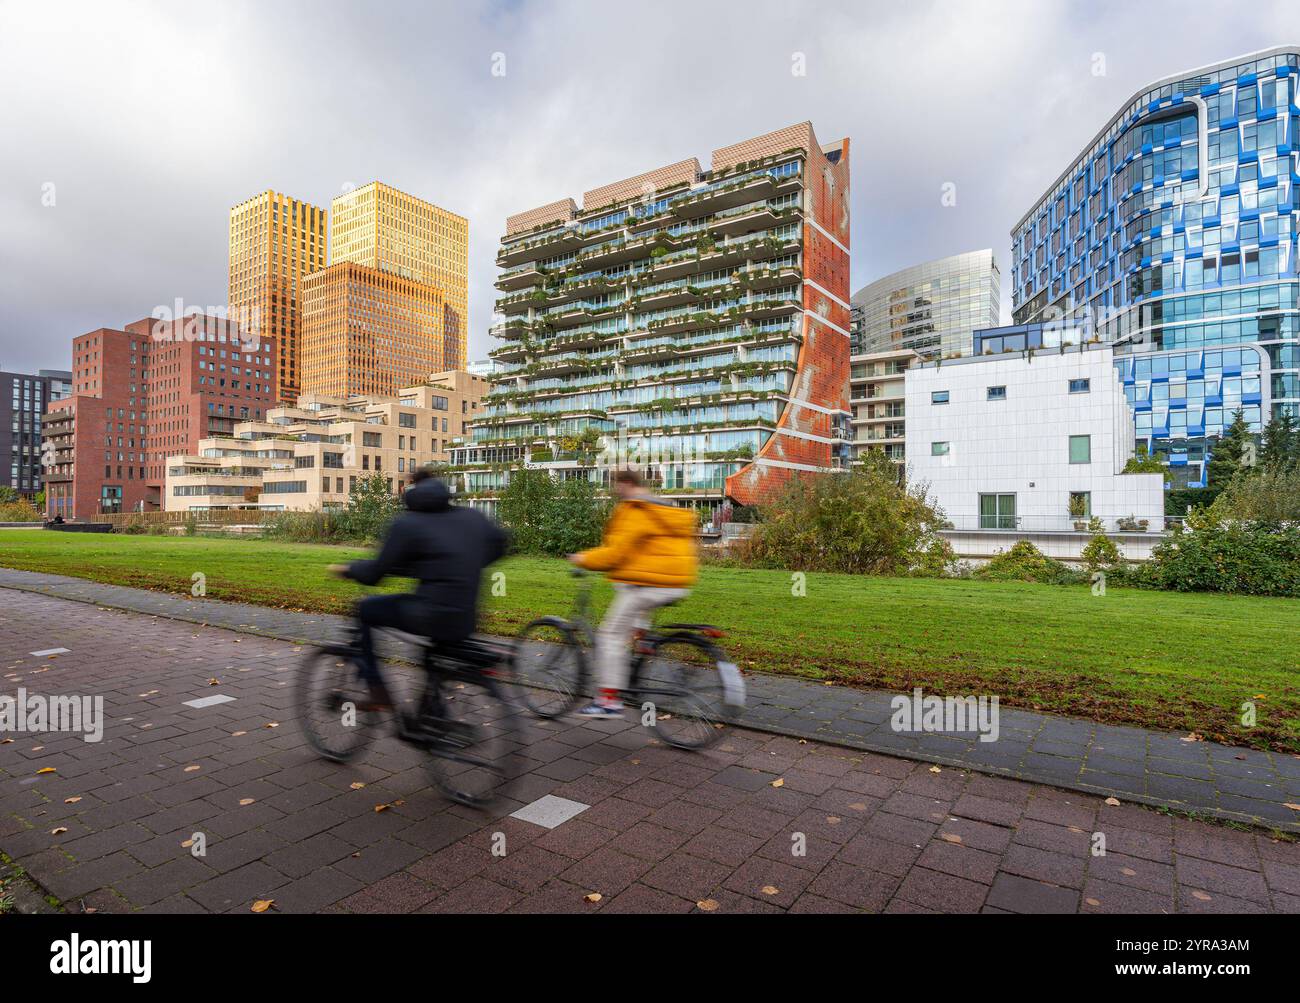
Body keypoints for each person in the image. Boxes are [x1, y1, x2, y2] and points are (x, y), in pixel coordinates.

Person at [330, 469, 507, 712]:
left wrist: (349, 569)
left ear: (411, 491)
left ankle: (377, 691)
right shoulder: (472, 517)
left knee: (365, 609)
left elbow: (375, 573)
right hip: (466, 617)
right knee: (433, 658)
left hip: (429, 613)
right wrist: (464, 565)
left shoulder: (408, 523)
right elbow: (501, 545)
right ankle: (434, 722)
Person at [567, 469, 698, 717]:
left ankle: (608, 701)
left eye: (616, 485)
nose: (615, 490)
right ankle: (642, 649)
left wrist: (582, 558)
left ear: (626, 483)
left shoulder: (636, 509)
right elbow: (646, 550)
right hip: (676, 581)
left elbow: (615, 553)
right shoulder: (661, 507)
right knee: (634, 622)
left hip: (649, 584)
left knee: (610, 635)